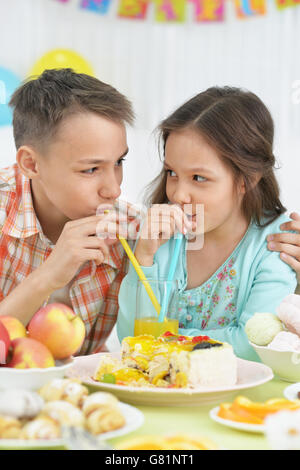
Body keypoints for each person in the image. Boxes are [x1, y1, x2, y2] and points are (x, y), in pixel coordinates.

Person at [117, 86, 298, 361]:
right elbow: (130, 339)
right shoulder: (165, 236)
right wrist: (144, 257)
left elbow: (253, 346)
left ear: (247, 179)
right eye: (172, 173)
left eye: (199, 178)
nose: (178, 194)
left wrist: (160, 343)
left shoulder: (275, 243)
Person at [0, 68, 137, 355]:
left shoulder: (129, 230)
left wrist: (257, 233)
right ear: (31, 164)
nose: (114, 189)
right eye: (91, 169)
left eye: (119, 162)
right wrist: (48, 275)